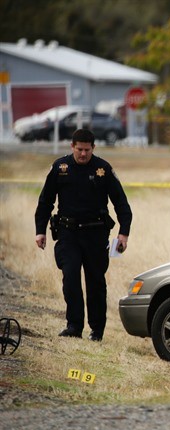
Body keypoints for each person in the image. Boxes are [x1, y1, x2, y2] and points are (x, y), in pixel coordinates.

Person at [34, 128, 132, 342]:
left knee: (96, 282)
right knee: (70, 278)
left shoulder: (103, 169)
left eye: (87, 150)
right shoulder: (61, 168)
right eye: (79, 149)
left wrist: (123, 233)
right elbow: (45, 201)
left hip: (95, 234)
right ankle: (74, 326)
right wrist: (40, 231)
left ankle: (96, 330)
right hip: (68, 233)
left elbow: (121, 203)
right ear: (72, 147)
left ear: (93, 148)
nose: (83, 154)